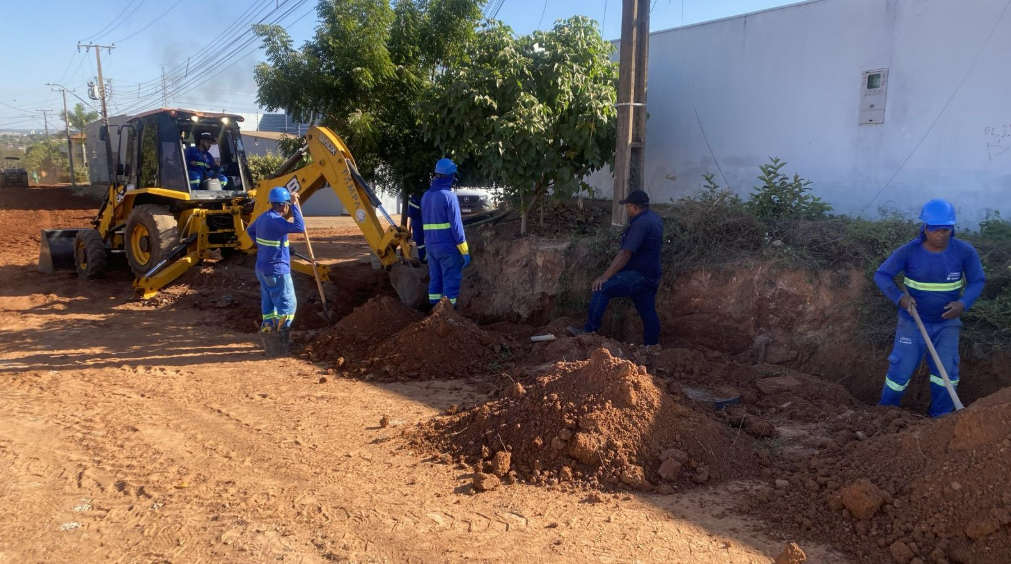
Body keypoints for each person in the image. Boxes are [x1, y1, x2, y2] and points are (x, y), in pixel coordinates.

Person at [874, 198, 985, 417]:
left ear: (952, 229)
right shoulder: (909, 252)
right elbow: (882, 275)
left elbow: (977, 281)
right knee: (900, 371)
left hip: (947, 324)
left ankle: (940, 421)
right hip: (912, 321)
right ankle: (883, 415)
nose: (941, 235)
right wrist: (900, 298)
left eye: (946, 230)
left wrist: (963, 304)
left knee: (947, 374)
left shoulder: (964, 252)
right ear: (925, 228)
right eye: (935, 230)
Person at [568, 189, 664, 346]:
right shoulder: (654, 218)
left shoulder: (640, 223)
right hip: (651, 275)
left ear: (634, 207)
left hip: (639, 275)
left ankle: (589, 330)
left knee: (602, 288)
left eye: (627, 207)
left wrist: (605, 276)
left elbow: (625, 253)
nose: (626, 210)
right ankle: (651, 347)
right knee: (648, 312)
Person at [247, 187, 305, 332]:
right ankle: (280, 336)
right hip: (277, 270)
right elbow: (300, 227)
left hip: (262, 268)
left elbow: (250, 230)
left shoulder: (263, 217)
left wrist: (266, 248)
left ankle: (268, 331)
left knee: (268, 303)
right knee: (287, 305)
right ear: (284, 205)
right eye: (288, 205)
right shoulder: (277, 221)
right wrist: (295, 204)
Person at [421, 158, 470, 306]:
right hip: (447, 248)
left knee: (435, 281)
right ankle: (448, 316)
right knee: (451, 280)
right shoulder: (449, 197)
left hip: (431, 247)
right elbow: (457, 228)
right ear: (450, 177)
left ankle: (434, 316)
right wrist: (465, 252)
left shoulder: (426, 196)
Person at [407, 192, 427, 263]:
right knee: (419, 239)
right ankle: (424, 257)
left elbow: (411, 213)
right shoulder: (422, 196)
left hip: (416, 220)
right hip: (418, 220)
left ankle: (423, 257)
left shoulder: (415, 196)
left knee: (418, 239)